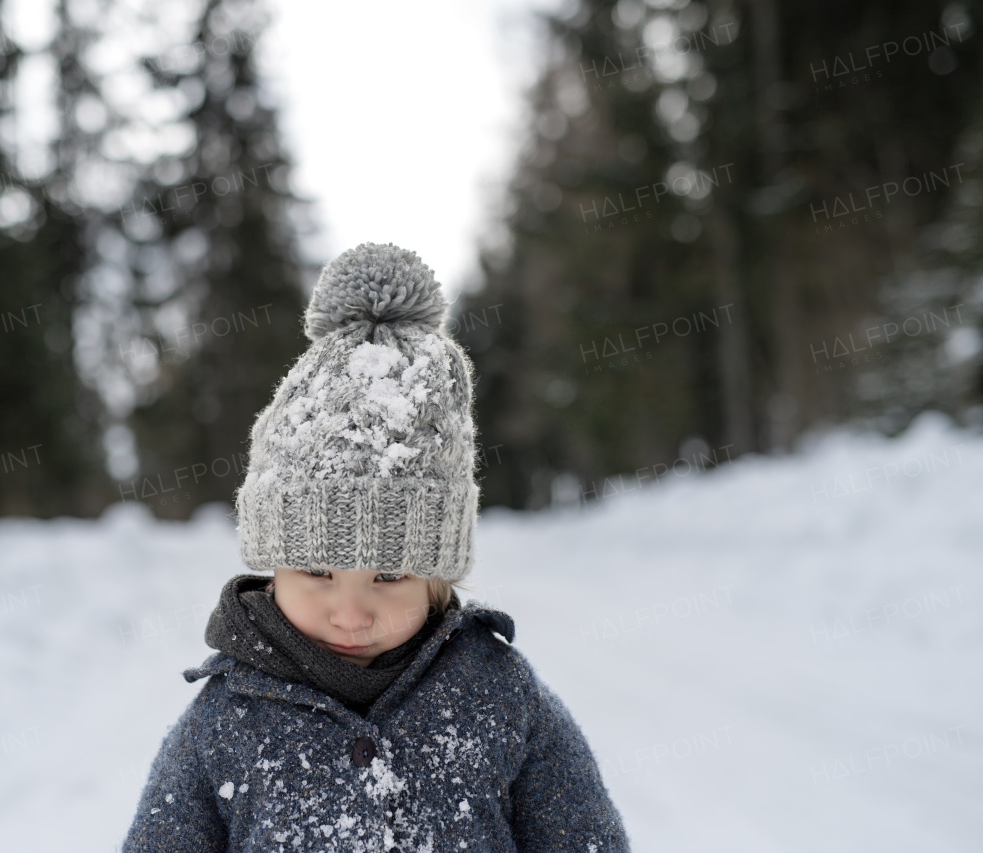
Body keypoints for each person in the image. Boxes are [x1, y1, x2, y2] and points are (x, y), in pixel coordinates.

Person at [121, 242, 630, 852]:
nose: (351, 613)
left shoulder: (497, 695)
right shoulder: (226, 719)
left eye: (388, 575)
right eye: (317, 571)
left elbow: (583, 838)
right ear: (272, 565)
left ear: (437, 579)